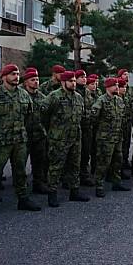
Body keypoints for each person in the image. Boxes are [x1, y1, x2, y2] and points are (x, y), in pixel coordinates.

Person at [0, 64, 40, 218]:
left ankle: (23, 199)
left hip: (19, 140)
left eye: (18, 74)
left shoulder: (24, 95)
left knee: (20, 171)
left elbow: (29, 116)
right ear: (4, 76)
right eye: (12, 74)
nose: (16, 77)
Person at [42, 71, 89, 207]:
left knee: (75, 165)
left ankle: (75, 191)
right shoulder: (54, 97)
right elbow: (43, 116)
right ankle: (52, 194)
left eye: (74, 81)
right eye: (71, 81)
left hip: (75, 138)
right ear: (63, 82)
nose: (73, 83)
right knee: (56, 167)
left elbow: (82, 117)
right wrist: (52, 132)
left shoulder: (79, 98)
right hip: (59, 139)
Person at [89, 77, 129, 196]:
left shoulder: (119, 100)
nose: (117, 87)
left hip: (117, 136)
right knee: (103, 162)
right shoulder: (101, 101)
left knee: (118, 160)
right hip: (105, 138)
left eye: (117, 85)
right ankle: (99, 185)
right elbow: (93, 118)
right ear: (107, 87)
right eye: (114, 85)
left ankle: (116, 182)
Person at [21, 69, 49, 194]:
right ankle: (21, 186)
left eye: (37, 79)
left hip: (39, 134)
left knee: (39, 162)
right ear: (26, 82)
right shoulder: (20, 95)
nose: (36, 82)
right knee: (20, 163)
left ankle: (38, 184)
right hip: (24, 135)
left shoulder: (42, 97)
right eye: (33, 80)